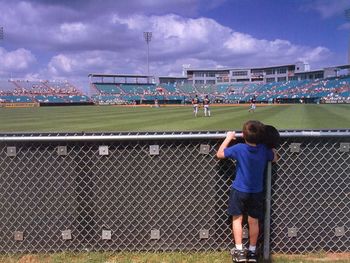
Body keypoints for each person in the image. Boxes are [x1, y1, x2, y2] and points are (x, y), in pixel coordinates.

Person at [216, 120, 278, 263]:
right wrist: (271, 147)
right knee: (253, 221)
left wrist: (228, 138)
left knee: (237, 219)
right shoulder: (263, 150)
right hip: (256, 191)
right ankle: (251, 251)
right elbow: (274, 158)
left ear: (243, 135)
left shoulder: (239, 148)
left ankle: (239, 251)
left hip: (239, 190)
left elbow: (220, 154)